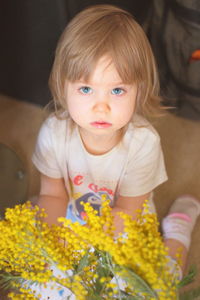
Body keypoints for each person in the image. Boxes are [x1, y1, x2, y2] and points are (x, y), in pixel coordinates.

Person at [32, 4, 200, 299]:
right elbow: (52, 194)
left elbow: (129, 209)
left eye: (118, 90)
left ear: (139, 89)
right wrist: (55, 242)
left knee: (158, 286)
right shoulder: (54, 133)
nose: (101, 106)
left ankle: (178, 231)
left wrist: (96, 253)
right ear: (63, 85)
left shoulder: (142, 142)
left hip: (125, 219)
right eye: (86, 89)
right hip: (74, 215)